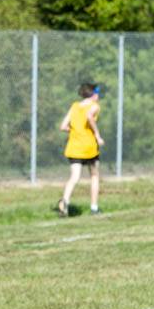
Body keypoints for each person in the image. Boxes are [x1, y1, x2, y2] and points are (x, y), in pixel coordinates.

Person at [56, 82, 105, 216]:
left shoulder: (74, 107)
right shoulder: (94, 106)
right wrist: (97, 135)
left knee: (74, 177)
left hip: (74, 147)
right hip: (89, 147)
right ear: (94, 95)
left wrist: (75, 130)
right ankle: (94, 208)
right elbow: (89, 117)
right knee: (94, 175)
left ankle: (64, 202)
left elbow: (63, 126)